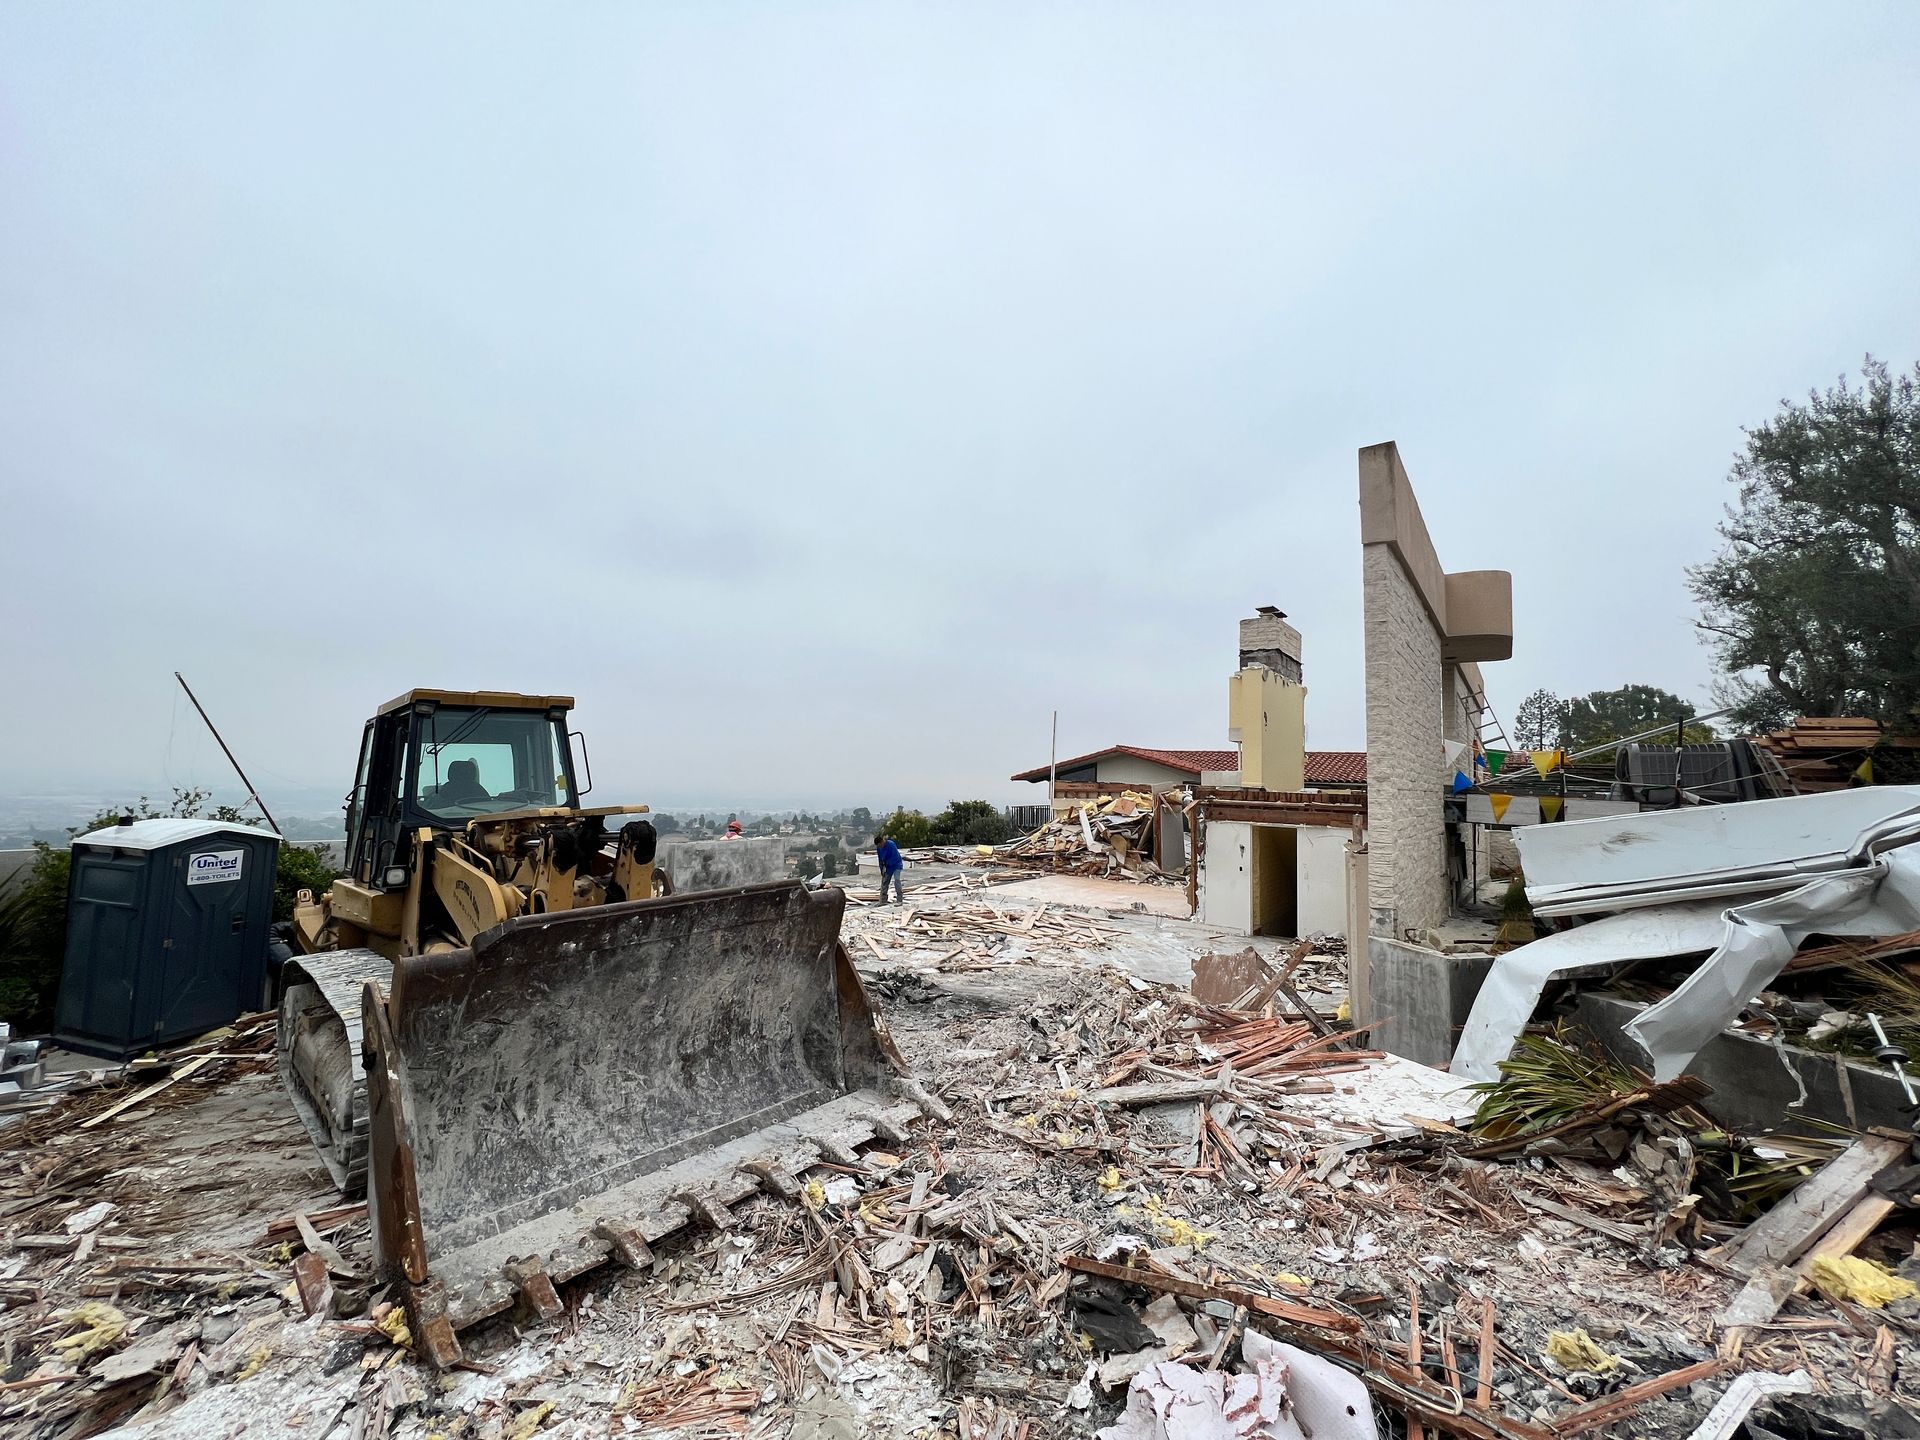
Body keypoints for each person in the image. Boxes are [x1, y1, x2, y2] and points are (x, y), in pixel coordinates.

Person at [873, 831, 905, 904]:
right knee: (885, 882)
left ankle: (899, 900)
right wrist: (882, 869)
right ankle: (883, 901)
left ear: (882, 842)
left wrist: (886, 867)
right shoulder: (879, 848)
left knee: (897, 880)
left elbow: (894, 857)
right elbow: (880, 859)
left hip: (896, 864)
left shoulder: (891, 845)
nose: (879, 847)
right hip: (888, 866)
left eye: (879, 845)